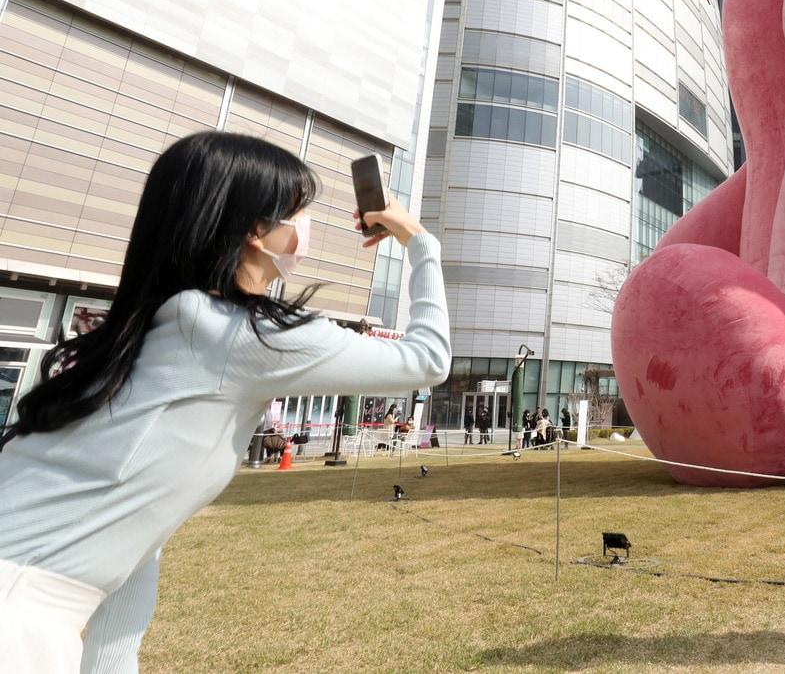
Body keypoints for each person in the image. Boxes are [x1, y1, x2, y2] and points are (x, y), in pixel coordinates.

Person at [0, 131, 451, 672]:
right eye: (298, 213)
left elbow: (133, 558)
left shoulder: (149, 332)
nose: (303, 230)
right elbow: (427, 359)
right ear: (257, 232)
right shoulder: (242, 334)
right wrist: (419, 240)